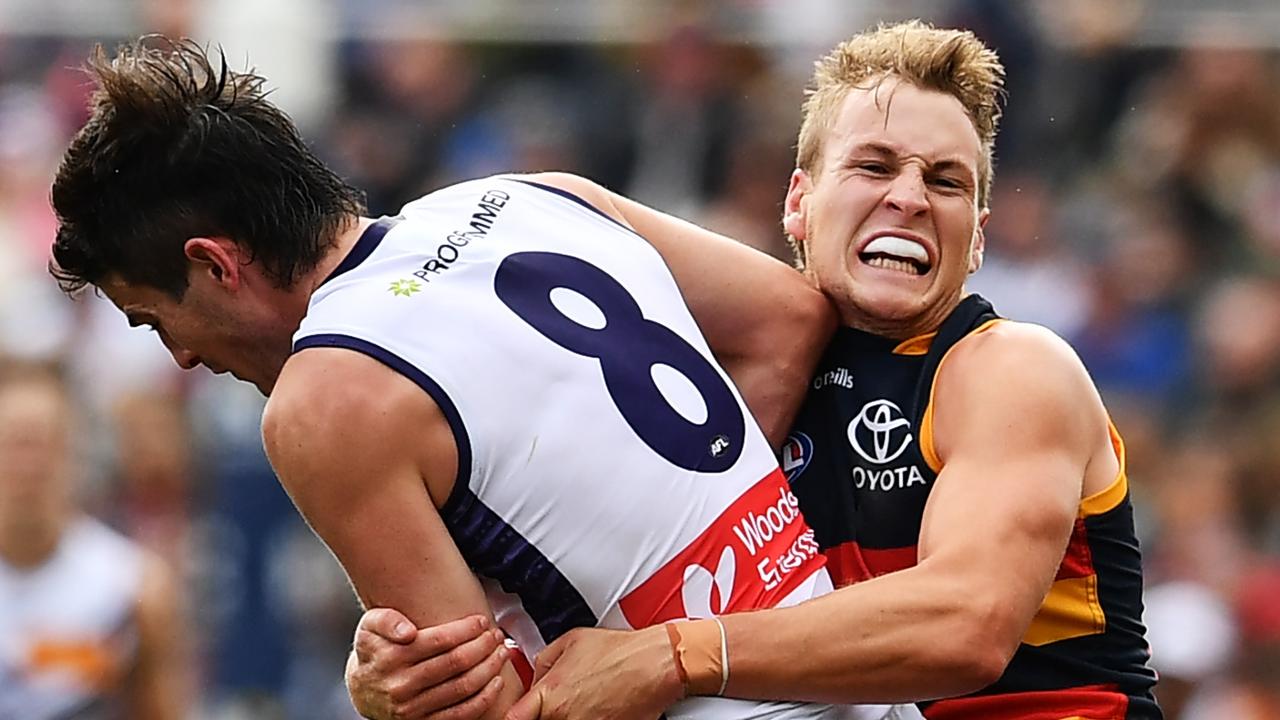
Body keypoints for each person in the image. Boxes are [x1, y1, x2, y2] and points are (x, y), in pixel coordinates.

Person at [345, 20, 1162, 720]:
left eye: (946, 181)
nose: (911, 197)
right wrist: (404, 672)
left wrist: (671, 654)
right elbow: (561, 608)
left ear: (976, 238)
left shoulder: (1012, 370)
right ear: (798, 202)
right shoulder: (724, 386)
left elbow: (966, 625)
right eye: (875, 167)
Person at [47, 38, 854, 720]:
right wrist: (701, 534)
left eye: (154, 321)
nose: (181, 358)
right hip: (845, 672)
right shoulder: (534, 196)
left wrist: (389, 699)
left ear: (216, 264)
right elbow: (790, 322)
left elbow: (481, 707)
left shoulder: (324, 398)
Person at [0, 360, 186, 720]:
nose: (28, 466)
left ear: (72, 454)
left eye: (42, 444)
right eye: (13, 445)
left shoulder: (131, 585)